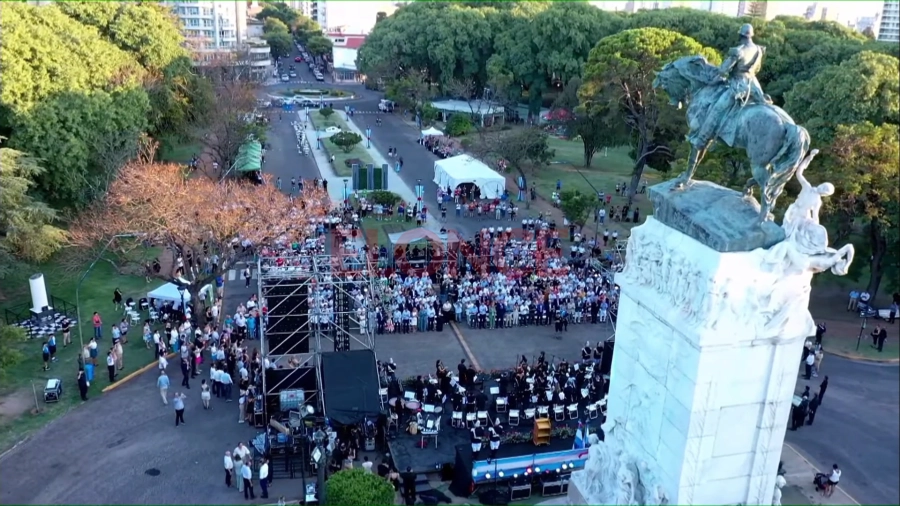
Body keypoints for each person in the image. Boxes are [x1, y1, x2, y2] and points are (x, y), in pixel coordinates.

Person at [692, 23, 771, 149]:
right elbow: (757, 69)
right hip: (753, 84)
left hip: (738, 85)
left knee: (716, 110)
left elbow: (723, 70)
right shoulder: (758, 50)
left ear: (741, 35)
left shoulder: (739, 51)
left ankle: (701, 140)